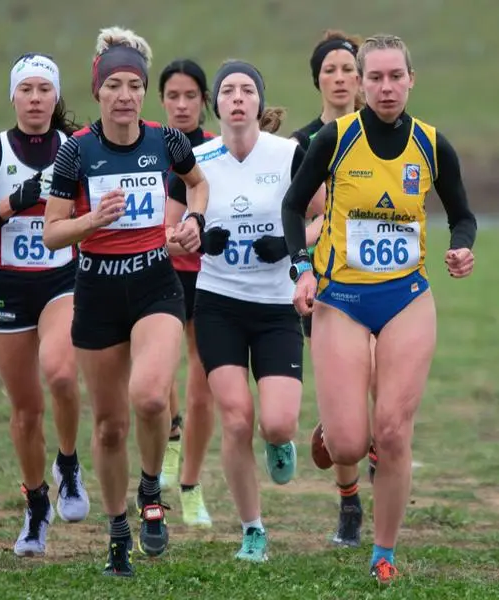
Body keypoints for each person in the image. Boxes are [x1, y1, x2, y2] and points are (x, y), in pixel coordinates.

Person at [280, 34, 477, 584]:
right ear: (362, 84)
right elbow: (293, 205)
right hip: (340, 298)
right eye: (376, 78)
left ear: (412, 80)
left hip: (407, 296)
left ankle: (383, 551)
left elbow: (463, 214)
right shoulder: (335, 139)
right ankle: (335, 428)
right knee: (348, 442)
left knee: (392, 432)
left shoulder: (433, 145)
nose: (386, 87)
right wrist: (303, 268)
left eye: (396, 77)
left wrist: (463, 246)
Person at [42, 27, 209, 578]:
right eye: (113, 84)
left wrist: (192, 220)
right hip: (96, 292)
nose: (124, 95)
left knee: (151, 400)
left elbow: (198, 184)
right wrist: (93, 220)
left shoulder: (167, 141)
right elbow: (52, 234)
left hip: (155, 285)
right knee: (110, 425)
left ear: (144, 93)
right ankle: (118, 527)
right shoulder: (76, 151)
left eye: (134, 84)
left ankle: (149, 490)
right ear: (98, 91)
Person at [167, 60, 323, 563]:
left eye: (247, 90)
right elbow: (170, 236)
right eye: (228, 91)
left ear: (260, 101)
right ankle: (252, 529)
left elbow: (325, 216)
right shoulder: (196, 160)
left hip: (276, 305)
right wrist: (193, 238)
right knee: (236, 420)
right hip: (218, 305)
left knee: (276, 423)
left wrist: (288, 243)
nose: (238, 98)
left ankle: (281, 443)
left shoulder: (290, 154)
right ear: (217, 104)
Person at [0, 53, 89, 558]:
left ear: (57, 98)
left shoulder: (75, 150)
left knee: (60, 374)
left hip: (63, 280)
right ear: (13, 96)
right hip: (8, 289)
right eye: (26, 89)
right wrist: (15, 202)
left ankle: (70, 465)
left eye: (44, 90)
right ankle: (36, 507)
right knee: (27, 411)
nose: (35, 99)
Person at [290, 28, 370, 549]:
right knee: (343, 401)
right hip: (324, 284)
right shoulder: (299, 146)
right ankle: (349, 503)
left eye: (348, 69)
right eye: (330, 70)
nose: (340, 78)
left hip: (382, 279)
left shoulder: (386, 133)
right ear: (317, 79)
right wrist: (321, 235)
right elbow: (295, 217)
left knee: (382, 385)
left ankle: (377, 449)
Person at [158, 59, 215, 528]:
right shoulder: (144, 146)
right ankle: (170, 439)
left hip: (211, 277)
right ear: (161, 101)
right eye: (173, 96)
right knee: (158, 376)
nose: (181, 105)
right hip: (159, 272)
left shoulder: (216, 151)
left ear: (204, 101)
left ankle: (192, 487)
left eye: (190, 96)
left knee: (203, 383)